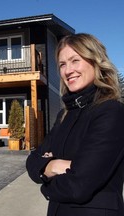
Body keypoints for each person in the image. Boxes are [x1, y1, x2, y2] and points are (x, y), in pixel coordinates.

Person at [26, 33, 124, 216]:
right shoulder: (65, 115)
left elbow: (79, 184)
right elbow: (33, 161)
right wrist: (54, 166)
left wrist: (45, 183)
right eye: (62, 64)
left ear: (95, 61)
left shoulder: (111, 112)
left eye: (75, 60)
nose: (67, 70)